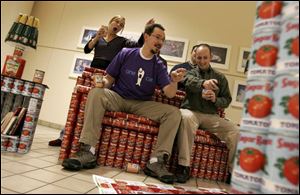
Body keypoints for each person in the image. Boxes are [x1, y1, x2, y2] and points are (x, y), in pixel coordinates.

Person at [62, 23, 186, 185]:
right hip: (118, 98)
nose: (160, 42)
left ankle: (156, 162)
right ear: (146, 37)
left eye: (163, 39)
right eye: (157, 37)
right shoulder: (126, 53)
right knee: (96, 93)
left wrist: (175, 81)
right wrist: (99, 84)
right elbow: (109, 79)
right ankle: (87, 151)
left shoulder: (159, 65)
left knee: (174, 112)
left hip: (142, 104)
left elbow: (169, 93)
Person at [48, 16, 155, 147]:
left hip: (107, 78)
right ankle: (64, 136)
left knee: (93, 109)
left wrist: (146, 29)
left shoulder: (122, 41)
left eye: (121, 24)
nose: (118, 25)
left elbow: (138, 45)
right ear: (110, 22)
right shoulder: (98, 36)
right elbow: (87, 49)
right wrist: (97, 37)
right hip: (92, 74)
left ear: (122, 28)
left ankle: (85, 141)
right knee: (78, 105)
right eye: (116, 22)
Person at [175, 43, 239, 184]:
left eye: (205, 58)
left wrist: (215, 99)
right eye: (199, 58)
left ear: (211, 57)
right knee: (185, 118)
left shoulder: (220, 77)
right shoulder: (190, 72)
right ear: (195, 57)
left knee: (235, 131)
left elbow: (227, 100)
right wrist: (203, 83)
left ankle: (233, 172)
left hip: (212, 117)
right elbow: (187, 81)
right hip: (191, 111)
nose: (202, 61)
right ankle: (183, 166)